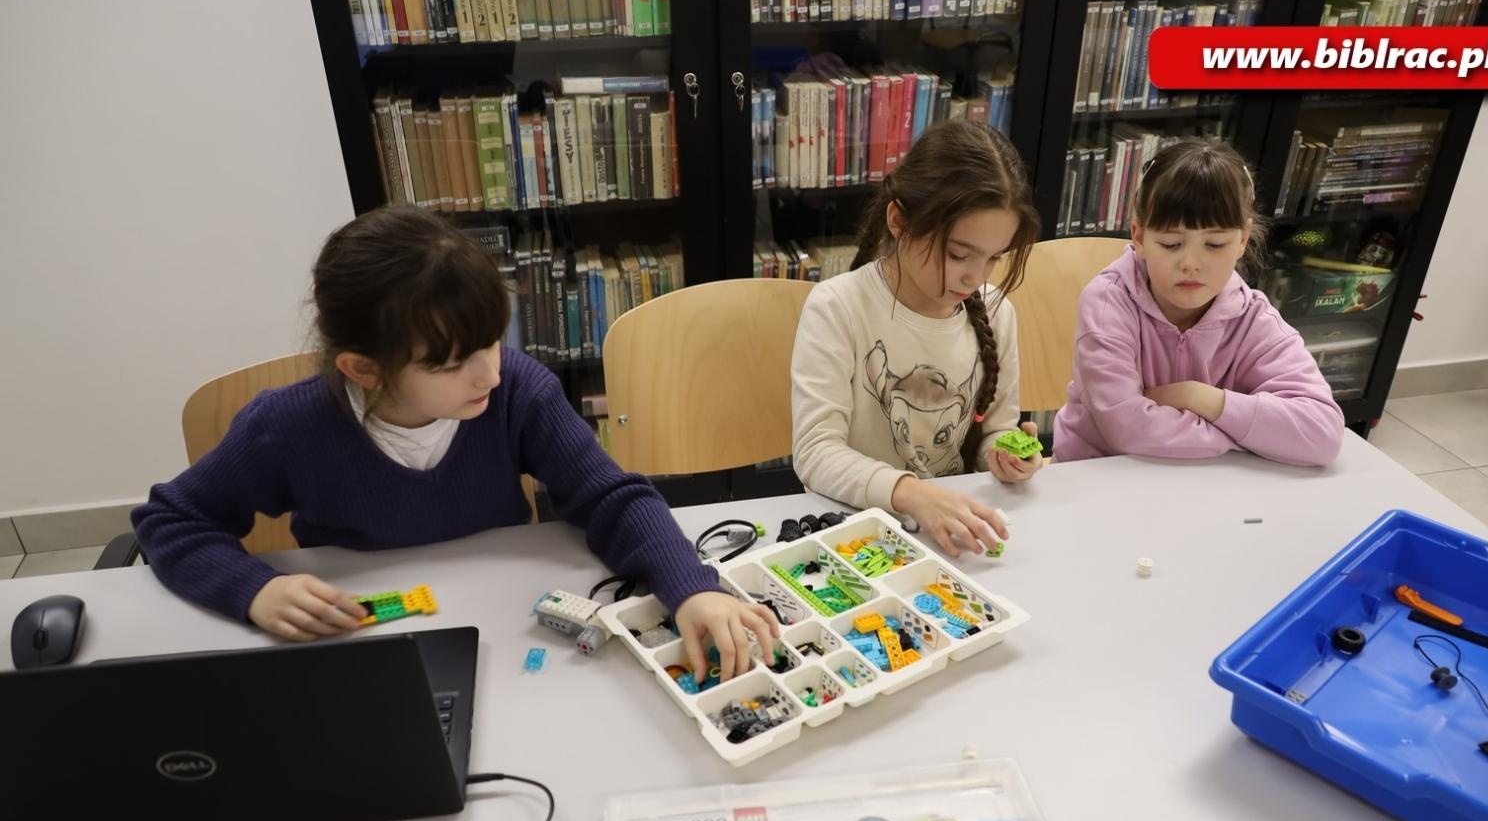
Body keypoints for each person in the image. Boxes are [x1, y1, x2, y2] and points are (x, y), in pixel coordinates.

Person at [133, 205, 776, 681]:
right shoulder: (287, 426)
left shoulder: (516, 391)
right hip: (371, 650)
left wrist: (691, 586)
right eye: (450, 363)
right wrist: (253, 589)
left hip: (502, 630)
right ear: (363, 369)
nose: (490, 373)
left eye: (493, 340)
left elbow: (610, 496)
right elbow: (171, 520)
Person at [789, 120, 1044, 559]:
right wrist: (913, 494)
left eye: (993, 258)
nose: (975, 276)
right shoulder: (838, 307)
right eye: (959, 254)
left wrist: (1007, 456)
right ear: (899, 221)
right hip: (855, 532)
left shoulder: (997, 311)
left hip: (952, 535)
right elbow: (815, 452)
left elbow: (995, 431)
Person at [1052, 138, 1343, 467]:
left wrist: (1200, 397)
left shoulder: (1252, 317)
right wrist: (1249, 438)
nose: (1191, 263)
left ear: (1242, 240)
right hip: (1098, 478)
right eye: (1171, 243)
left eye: (1215, 244)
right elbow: (1128, 431)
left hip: (1202, 483)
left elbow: (1323, 434)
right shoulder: (1108, 304)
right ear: (1138, 237)